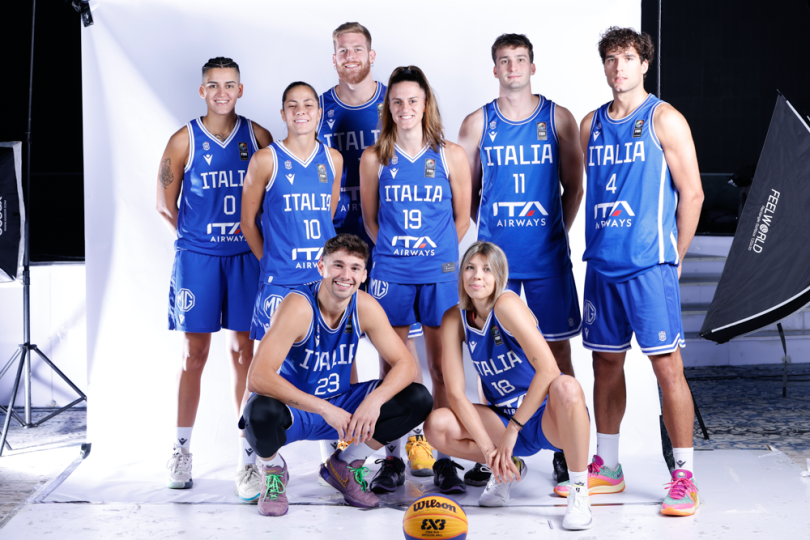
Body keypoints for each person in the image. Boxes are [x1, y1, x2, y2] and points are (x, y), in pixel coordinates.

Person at [566, 26, 704, 517]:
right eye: (611, 58)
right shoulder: (590, 125)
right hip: (602, 265)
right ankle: (609, 466)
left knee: (667, 368)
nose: (618, 66)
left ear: (644, 64)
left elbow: (693, 193)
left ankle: (684, 476)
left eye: (627, 57)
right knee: (605, 365)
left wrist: (676, 255)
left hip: (649, 266)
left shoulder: (665, 119)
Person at [457, 33, 584, 486]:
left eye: (520, 59)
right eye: (505, 60)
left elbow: (574, 187)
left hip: (547, 258)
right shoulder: (478, 122)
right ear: (495, 69)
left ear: (533, 66)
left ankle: (567, 450)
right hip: (495, 265)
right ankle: (497, 449)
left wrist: (554, 233)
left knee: (557, 352)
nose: (513, 67)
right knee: (488, 353)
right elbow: (467, 192)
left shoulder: (558, 118)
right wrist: (493, 236)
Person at [241, 234, 433, 517]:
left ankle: (344, 466)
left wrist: (374, 401)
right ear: (321, 266)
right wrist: (324, 408)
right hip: (298, 411)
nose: (346, 275)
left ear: (364, 275)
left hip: (344, 407)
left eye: (355, 268)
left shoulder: (364, 305)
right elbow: (257, 377)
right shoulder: (298, 306)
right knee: (257, 412)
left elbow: (406, 364)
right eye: (338, 265)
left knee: (417, 397)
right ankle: (273, 470)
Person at [155, 57, 272, 501]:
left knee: (244, 353)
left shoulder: (257, 136)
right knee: (193, 354)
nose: (221, 92)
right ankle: (181, 450)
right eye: (213, 85)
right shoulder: (183, 139)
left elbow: (271, 195)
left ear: (240, 90)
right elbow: (164, 204)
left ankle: (247, 459)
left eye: (229, 85)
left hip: (244, 257)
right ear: (202, 91)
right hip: (199, 258)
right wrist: (196, 242)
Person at [317, 22, 426, 480]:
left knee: (397, 340)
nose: (350, 57)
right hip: (339, 234)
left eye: (357, 49)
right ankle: (347, 440)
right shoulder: (319, 107)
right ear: (334, 57)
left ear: (371, 55)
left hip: (388, 233)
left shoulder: (393, 101)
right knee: (339, 338)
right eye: (342, 50)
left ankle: (408, 437)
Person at [423, 242, 593, 531]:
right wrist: (490, 451)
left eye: (487, 269)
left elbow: (549, 370)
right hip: (501, 418)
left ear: (499, 276)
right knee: (436, 425)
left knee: (567, 386)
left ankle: (579, 492)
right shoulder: (454, 318)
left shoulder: (506, 305)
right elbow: (455, 394)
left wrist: (513, 430)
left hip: (543, 417)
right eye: (470, 267)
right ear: (462, 274)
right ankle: (504, 469)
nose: (477, 275)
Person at [359, 65, 471, 488]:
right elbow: (370, 221)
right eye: (397, 101)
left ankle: (445, 458)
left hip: (439, 273)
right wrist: (398, 253)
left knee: (443, 368)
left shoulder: (450, 154)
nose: (405, 108)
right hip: (392, 272)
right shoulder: (374, 158)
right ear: (388, 107)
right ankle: (393, 458)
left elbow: (462, 218)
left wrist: (435, 253)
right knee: (394, 368)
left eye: (413, 100)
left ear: (426, 105)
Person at [241, 81, 342, 342]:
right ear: (283, 114)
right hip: (281, 279)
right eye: (292, 105)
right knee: (274, 360)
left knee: (327, 356)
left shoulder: (333, 159)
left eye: (308, 105)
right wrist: (269, 260)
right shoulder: (265, 159)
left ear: (319, 113)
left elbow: (327, 215)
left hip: (323, 278)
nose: (301, 111)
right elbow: (248, 223)